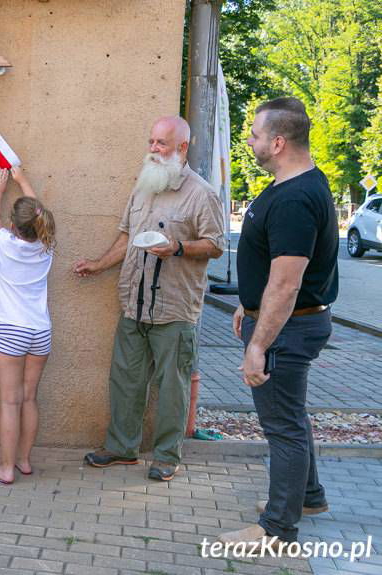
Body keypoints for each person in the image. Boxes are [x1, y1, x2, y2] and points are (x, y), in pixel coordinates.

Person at [73, 116, 224, 481]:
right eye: (151, 141)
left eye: (161, 143)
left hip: (174, 308)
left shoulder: (201, 193)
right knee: (125, 380)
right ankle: (121, 448)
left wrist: (178, 248)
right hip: (134, 301)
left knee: (172, 387)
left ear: (182, 147)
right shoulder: (144, 186)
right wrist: (98, 264)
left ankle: (167, 456)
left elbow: (216, 245)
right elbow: (127, 237)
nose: (153, 149)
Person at [218, 98, 338, 546]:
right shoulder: (295, 184)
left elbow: (287, 284)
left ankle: (277, 528)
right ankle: (308, 496)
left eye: (255, 134)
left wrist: (258, 344)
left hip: (287, 329)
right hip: (285, 320)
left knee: (282, 428)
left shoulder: (294, 199)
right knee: (292, 415)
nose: (249, 140)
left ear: (279, 142)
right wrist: (248, 303)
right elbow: (270, 266)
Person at [0, 166, 56, 485]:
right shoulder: (47, 245)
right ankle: (24, 460)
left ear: (13, 226)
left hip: (11, 330)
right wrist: (23, 180)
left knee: (10, 401)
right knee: (29, 398)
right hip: (41, 331)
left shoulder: (4, 243)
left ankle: (6, 468)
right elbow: (36, 211)